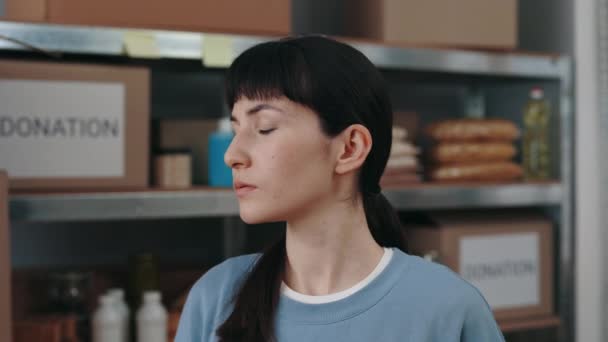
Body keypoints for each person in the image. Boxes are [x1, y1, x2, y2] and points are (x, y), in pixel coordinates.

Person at [175, 36, 505, 342]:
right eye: (235, 128)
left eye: (264, 128)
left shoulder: (448, 308)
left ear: (349, 148)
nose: (232, 155)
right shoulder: (216, 297)